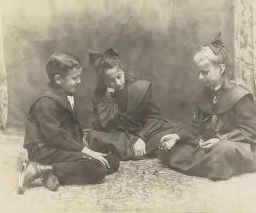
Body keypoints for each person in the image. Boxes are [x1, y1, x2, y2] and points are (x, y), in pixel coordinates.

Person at [158, 33, 256, 180]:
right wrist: (177, 136)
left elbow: (249, 132)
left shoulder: (240, 96)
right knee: (172, 146)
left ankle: (212, 163)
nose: (200, 77)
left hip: (239, 141)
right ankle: (209, 162)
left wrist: (220, 139)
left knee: (222, 150)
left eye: (205, 72)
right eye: (199, 72)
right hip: (213, 140)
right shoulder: (203, 95)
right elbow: (196, 128)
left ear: (220, 69)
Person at [18, 52, 120, 194]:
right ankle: (39, 169)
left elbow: (70, 125)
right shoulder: (45, 101)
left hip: (61, 146)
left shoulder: (65, 91)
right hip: (46, 150)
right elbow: (55, 137)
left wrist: (82, 145)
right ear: (58, 79)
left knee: (113, 161)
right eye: (74, 78)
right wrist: (86, 151)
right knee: (99, 168)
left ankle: (55, 173)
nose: (79, 81)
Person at [86, 48, 176, 161]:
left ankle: (135, 148)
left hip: (144, 131)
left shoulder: (140, 88)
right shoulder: (101, 94)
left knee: (168, 134)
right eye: (111, 80)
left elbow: (155, 117)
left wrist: (142, 138)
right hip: (120, 135)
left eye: (119, 76)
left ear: (122, 70)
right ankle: (138, 149)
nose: (118, 83)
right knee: (93, 136)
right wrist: (108, 99)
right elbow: (101, 127)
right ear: (104, 81)